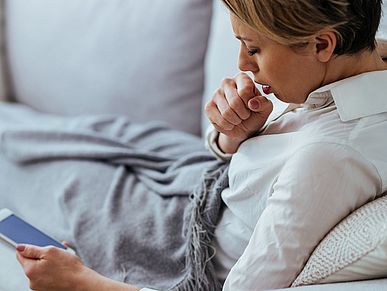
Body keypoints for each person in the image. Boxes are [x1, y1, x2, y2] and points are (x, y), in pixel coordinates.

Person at [12, 0, 387, 290]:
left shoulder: (328, 157)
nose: (243, 65)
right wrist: (237, 133)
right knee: (84, 132)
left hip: (185, 236)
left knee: (26, 160)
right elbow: (258, 170)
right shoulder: (367, 65)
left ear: (322, 43)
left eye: (253, 49)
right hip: (196, 175)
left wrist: (82, 283)